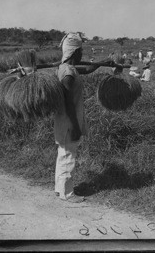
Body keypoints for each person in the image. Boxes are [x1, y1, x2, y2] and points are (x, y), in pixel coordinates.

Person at [55, 32, 101, 203]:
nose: (82, 54)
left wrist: (103, 63)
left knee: (63, 154)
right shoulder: (67, 73)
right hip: (69, 120)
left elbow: (87, 69)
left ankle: (60, 190)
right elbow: (68, 103)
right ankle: (68, 194)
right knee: (68, 156)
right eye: (80, 51)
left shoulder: (67, 68)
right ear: (74, 52)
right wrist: (75, 125)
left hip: (64, 120)